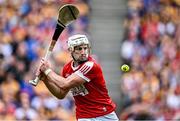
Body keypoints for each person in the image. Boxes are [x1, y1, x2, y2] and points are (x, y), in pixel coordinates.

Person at [37, 34, 119, 120]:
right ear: (71, 50)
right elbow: (60, 94)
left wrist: (47, 71)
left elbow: (65, 83)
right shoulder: (67, 69)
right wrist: (45, 80)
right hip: (84, 116)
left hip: (104, 114)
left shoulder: (91, 65)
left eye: (85, 48)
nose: (83, 52)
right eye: (79, 49)